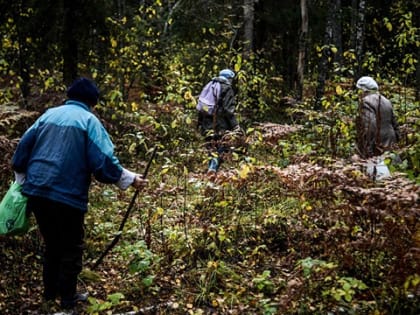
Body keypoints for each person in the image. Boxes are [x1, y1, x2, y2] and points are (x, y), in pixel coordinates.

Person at [11, 77, 147, 310]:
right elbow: (103, 162)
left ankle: (49, 296)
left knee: (52, 244)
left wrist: (23, 181)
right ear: (92, 102)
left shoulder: (48, 115)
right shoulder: (88, 120)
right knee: (71, 248)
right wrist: (130, 178)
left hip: (37, 191)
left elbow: (21, 151)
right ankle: (67, 302)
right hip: (67, 195)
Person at [196, 69, 243, 173]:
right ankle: (212, 170)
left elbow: (201, 104)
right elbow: (228, 110)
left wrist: (199, 123)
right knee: (222, 146)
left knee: (211, 146)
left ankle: (211, 169)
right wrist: (235, 126)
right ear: (229, 79)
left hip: (206, 121)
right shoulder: (227, 88)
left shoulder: (209, 85)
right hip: (219, 123)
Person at [355, 76, 400, 178]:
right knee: (393, 171)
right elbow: (394, 122)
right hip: (390, 139)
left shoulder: (366, 102)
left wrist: (368, 148)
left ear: (363, 90)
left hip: (377, 142)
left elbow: (370, 126)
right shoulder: (386, 100)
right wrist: (397, 138)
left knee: (377, 173)